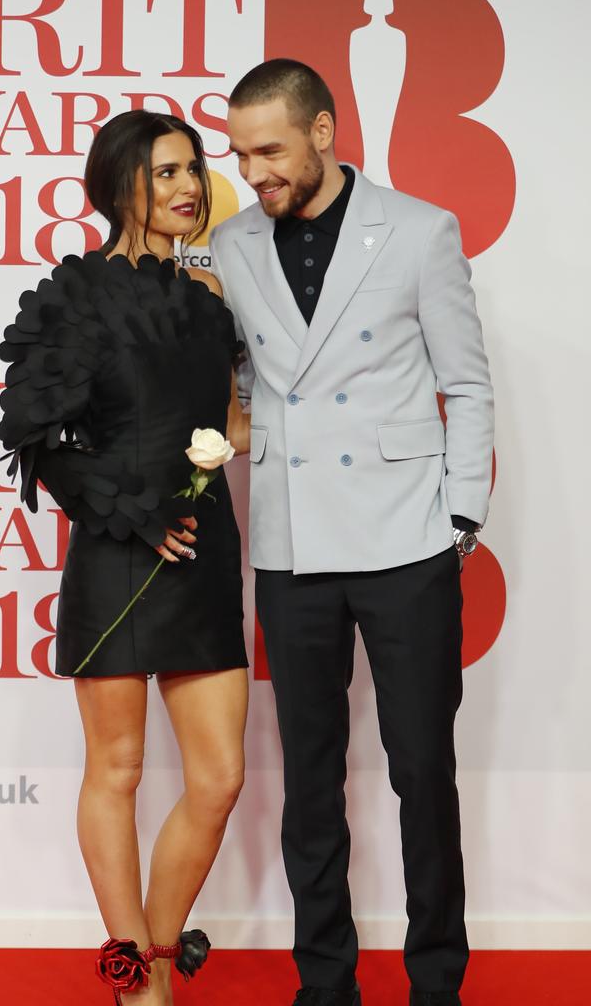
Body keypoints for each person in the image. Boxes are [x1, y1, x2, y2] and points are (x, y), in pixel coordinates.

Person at [210, 59, 494, 1006]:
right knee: (309, 778)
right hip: (292, 549)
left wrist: (459, 516)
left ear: (324, 132)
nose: (256, 171)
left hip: (407, 540)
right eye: (243, 153)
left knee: (423, 770)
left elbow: (465, 382)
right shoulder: (236, 243)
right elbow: (252, 376)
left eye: (272, 149)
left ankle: (436, 983)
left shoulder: (419, 231)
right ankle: (324, 983)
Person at [0, 109, 250, 1006]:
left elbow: (235, 417)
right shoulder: (75, 294)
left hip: (205, 549)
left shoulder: (210, 300)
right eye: (166, 173)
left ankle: (150, 954)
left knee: (220, 778)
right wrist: (129, 510)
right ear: (119, 188)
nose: (188, 188)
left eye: (193, 170)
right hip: (116, 552)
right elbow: (31, 434)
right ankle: (140, 981)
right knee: (119, 770)